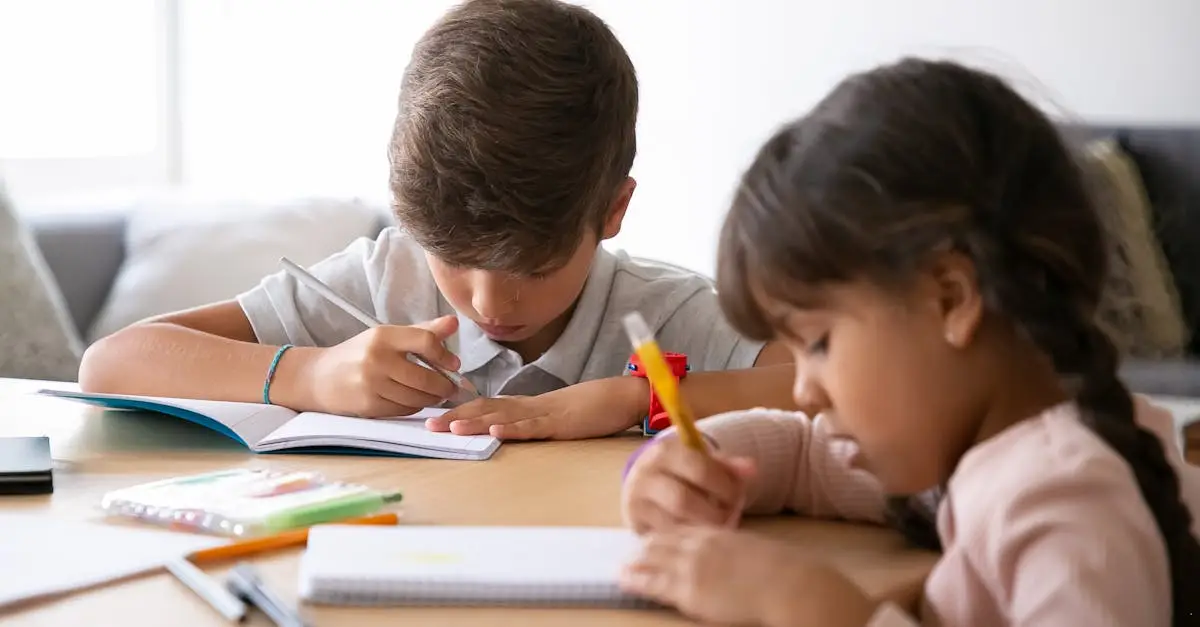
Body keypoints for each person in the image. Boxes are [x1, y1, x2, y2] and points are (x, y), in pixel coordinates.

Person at [617, 57, 1200, 626]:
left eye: (819, 343)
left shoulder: (1069, 507)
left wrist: (821, 611)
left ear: (949, 300)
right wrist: (695, 464)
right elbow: (805, 455)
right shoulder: (968, 449)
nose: (804, 390)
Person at [77, 0, 793, 440]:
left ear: (613, 211)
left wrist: (633, 399)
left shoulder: (667, 312)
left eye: (534, 267)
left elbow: (832, 389)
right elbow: (110, 363)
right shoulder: (383, 282)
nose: (487, 303)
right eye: (452, 255)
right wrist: (311, 373)